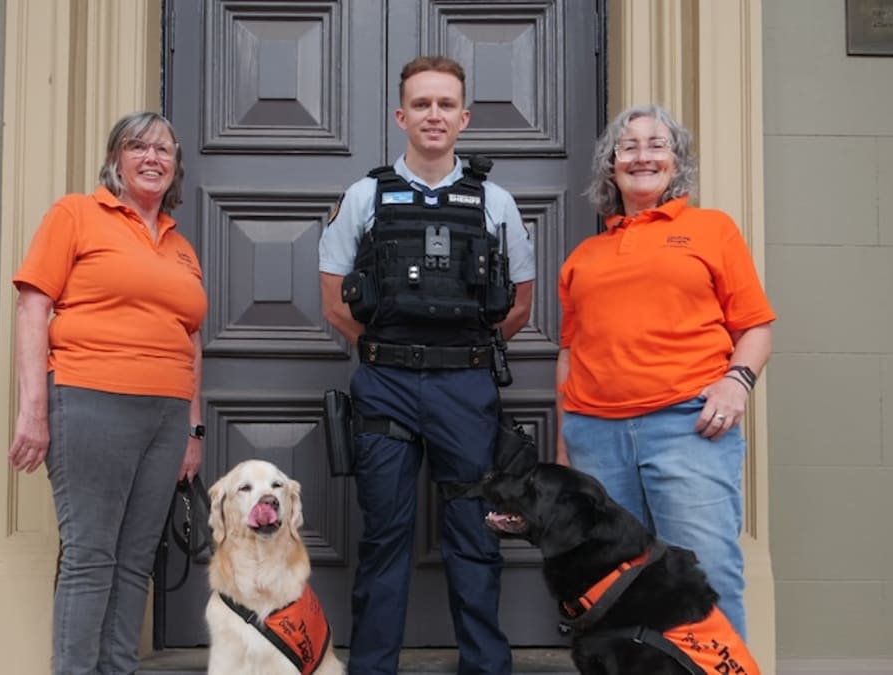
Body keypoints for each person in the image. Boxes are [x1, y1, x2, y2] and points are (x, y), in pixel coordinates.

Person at [318, 56, 535, 675]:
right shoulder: (365, 196)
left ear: (463, 118)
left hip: (465, 388)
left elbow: (520, 304)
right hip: (384, 387)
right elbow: (335, 304)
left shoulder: (494, 201)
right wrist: (391, 353)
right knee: (384, 539)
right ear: (401, 116)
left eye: (445, 105)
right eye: (421, 104)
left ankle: (486, 668)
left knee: (474, 536)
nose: (433, 115)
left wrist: (459, 354)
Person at [555, 103, 775, 639]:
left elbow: (757, 328)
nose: (642, 155)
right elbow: (571, 351)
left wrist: (736, 382)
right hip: (596, 438)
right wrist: (565, 443)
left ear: (677, 164)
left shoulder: (712, 230)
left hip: (687, 428)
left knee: (703, 575)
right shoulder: (585, 255)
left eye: (657, 144)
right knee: (611, 584)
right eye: (628, 147)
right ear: (611, 166)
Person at [7, 111, 207, 674]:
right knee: (91, 557)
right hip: (90, 398)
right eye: (137, 146)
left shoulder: (180, 246)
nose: (152, 157)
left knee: (134, 561)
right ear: (115, 159)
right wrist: (33, 411)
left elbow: (191, 342)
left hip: (166, 417)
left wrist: (192, 430)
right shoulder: (76, 214)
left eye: (164, 149)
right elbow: (33, 308)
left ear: (176, 167)